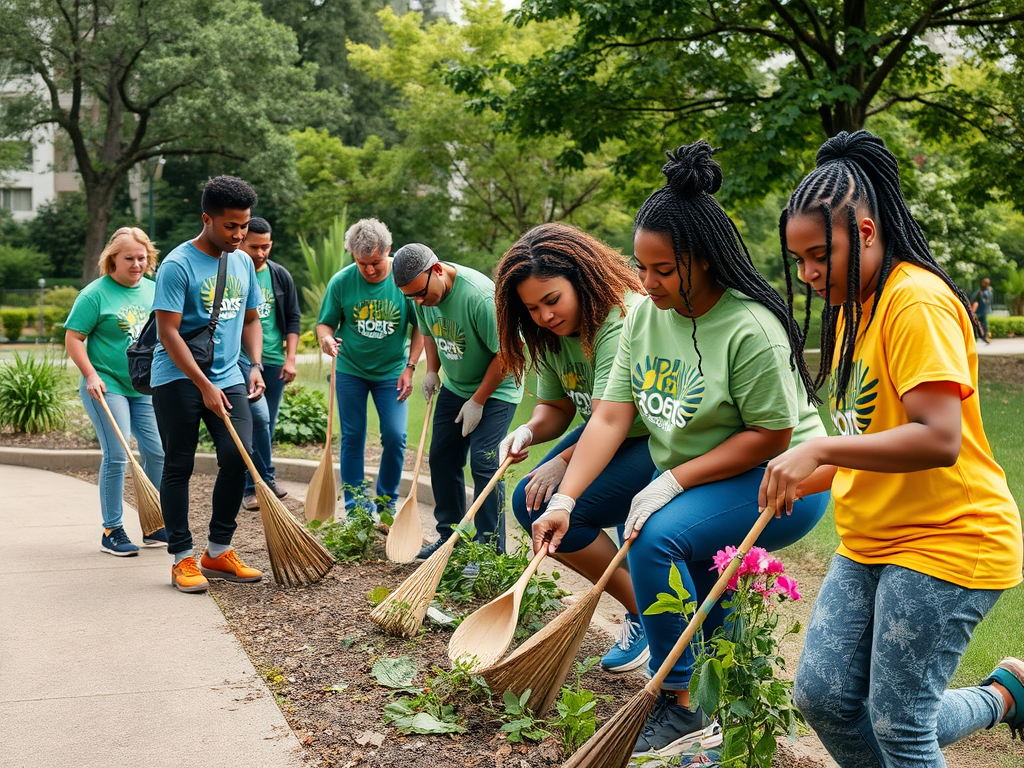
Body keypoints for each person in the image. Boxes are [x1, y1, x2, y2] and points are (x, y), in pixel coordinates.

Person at [530, 142, 831, 758]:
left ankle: (683, 703)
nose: (647, 282)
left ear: (702, 260)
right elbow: (612, 416)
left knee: (655, 534)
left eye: (663, 270)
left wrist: (672, 480)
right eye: (642, 268)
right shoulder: (644, 317)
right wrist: (565, 495)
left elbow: (772, 437)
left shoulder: (750, 327)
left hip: (784, 479)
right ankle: (723, 710)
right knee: (696, 585)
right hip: (713, 476)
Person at [766, 130, 1023, 767]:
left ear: (869, 230)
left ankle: (1005, 696)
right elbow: (863, 436)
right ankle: (1011, 693)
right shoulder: (855, 306)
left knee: (899, 723)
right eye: (799, 260)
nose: (808, 273)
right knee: (822, 697)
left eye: (819, 254)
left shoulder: (916, 301)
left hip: (951, 535)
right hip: (872, 536)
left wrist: (818, 451)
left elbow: (938, 438)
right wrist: (801, 476)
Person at [493, 222, 655, 673]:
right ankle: (645, 606)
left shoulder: (619, 319)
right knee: (530, 504)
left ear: (581, 280)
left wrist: (562, 465)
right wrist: (527, 432)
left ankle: (651, 614)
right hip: (603, 433)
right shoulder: (549, 333)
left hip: (651, 438)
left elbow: (610, 417)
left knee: (559, 509)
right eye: (532, 308)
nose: (544, 316)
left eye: (552, 300)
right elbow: (557, 407)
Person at [151, 175, 266, 594]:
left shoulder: (241, 262)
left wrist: (254, 364)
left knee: (240, 457)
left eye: (244, 225)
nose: (238, 235)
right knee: (178, 464)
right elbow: (168, 333)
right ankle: (182, 557)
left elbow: (252, 319)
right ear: (207, 219)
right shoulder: (178, 265)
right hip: (178, 378)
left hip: (229, 375)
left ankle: (217, 550)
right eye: (230, 226)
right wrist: (202, 385)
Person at [392, 243, 523, 560]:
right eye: (412, 298)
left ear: (437, 270)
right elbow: (429, 332)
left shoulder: (479, 297)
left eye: (420, 294)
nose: (419, 302)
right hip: (456, 385)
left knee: (484, 462)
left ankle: (489, 550)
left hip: (498, 388)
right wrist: (432, 371)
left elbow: (507, 353)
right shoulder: (420, 294)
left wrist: (478, 400)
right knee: (441, 457)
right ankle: (450, 536)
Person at [65, 227, 167, 555]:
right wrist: (91, 374)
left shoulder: (154, 291)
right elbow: (73, 338)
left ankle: (154, 524)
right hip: (106, 386)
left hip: (144, 387)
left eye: (142, 258)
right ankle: (112, 529)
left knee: (157, 452)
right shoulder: (95, 294)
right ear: (113, 259)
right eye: (129, 258)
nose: (137, 264)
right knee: (118, 455)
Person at [316, 219, 424, 515]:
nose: (370, 270)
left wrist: (411, 366)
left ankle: (386, 503)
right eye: (363, 264)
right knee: (352, 436)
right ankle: (355, 508)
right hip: (350, 370)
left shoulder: (404, 281)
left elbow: (421, 327)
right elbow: (325, 324)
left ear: (389, 250)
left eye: (375, 262)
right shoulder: (342, 281)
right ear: (353, 256)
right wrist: (326, 339)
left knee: (395, 435)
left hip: (392, 373)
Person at [238, 216, 301, 511]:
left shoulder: (279, 275)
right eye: (255, 246)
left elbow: (293, 318)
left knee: (266, 425)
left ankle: (255, 484)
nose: (261, 253)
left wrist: (290, 358)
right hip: (241, 363)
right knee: (256, 421)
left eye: (266, 247)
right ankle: (259, 483)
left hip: (274, 363)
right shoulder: (235, 272)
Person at [972, 276, 994, 343]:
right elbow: (974, 300)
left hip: (985, 310)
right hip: (979, 310)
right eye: (984, 283)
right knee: (979, 323)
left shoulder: (989, 291)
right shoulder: (979, 291)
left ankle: (984, 336)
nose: (985, 284)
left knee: (983, 324)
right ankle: (981, 336)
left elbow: (990, 301)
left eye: (987, 283)